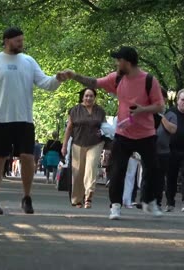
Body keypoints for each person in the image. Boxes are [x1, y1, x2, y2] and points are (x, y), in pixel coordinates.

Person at [65, 46, 165, 219]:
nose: (116, 63)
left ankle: (149, 201)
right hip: (123, 133)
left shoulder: (149, 80)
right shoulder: (117, 78)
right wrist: (74, 76)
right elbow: (94, 83)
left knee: (152, 169)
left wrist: (142, 109)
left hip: (146, 133)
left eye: (119, 60)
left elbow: (160, 106)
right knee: (117, 170)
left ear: (127, 62)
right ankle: (115, 205)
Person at [0, 26, 67, 215]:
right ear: (7, 40)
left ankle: (27, 197)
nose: (21, 44)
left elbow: (45, 83)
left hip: (24, 119)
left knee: (27, 157)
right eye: (18, 40)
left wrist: (57, 79)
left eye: (22, 40)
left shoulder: (28, 61)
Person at [62, 88, 106, 208]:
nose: (89, 98)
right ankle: (77, 199)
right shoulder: (75, 110)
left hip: (95, 143)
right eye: (86, 96)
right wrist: (64, 145)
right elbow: (69, 128)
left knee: (90, 168)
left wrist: (104, 136)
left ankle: (88, 196)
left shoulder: (100, 111)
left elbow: (105, 127)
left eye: (91, 96)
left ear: (94, 97)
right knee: (77, 172)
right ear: (82, 97)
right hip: (78, 143)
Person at [153, 89, 177, 207]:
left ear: (166, 100)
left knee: (160, 177)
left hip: (164, 151)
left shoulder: (171, 115)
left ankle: (157, 201)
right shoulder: (149, 112)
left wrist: (161, 116)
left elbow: (172, 129)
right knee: (148, 175)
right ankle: (145, 200)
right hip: (149, 149)